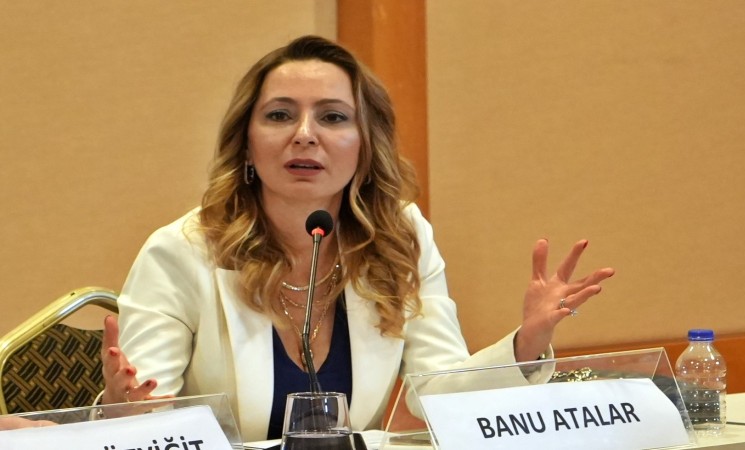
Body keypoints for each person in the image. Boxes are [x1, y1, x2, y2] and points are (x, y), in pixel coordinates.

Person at [100, 35, 615, 442]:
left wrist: (524, 347)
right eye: (279, 115)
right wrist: (125, 411)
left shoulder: (399, 235)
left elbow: (435, 392)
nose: (305, 134)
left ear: (366, 144)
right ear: (247, 145)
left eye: (333, 117)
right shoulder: (182, 251)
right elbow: (147, 414)